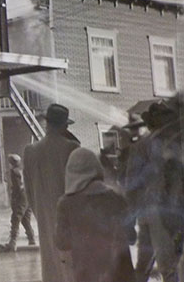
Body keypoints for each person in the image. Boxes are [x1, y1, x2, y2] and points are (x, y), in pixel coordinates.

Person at [55, 147, 136, 282]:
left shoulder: (65, 204)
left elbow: (62, 243)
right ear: (97, 168)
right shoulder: (116, 198)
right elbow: (131, 237)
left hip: (86, 275)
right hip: (121, 273)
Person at [23, 103, 80, 282]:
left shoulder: (30, 151)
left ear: (47, 124)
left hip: (43, 216)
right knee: (71, 266)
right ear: (64, 126)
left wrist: (39, 212)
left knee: (50, 264)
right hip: (70, 218)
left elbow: (28, 191)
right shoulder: (72, 148)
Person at [125, 101, 180, 282]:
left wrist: (131, 219)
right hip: (164, 214)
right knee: (168, 267)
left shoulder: (140, 146)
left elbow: (131, 186)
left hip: (146, 213)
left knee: (143, 264)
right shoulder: (170, 145)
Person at [0, 153, 36, 251]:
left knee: (15, 218)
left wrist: (14, 198)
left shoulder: (13, 172)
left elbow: (17, 187)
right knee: (25, 219)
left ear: (11, 163)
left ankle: (13, 242)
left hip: (20, 197)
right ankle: (32, 239)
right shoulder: (23, 171)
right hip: (27, 196)